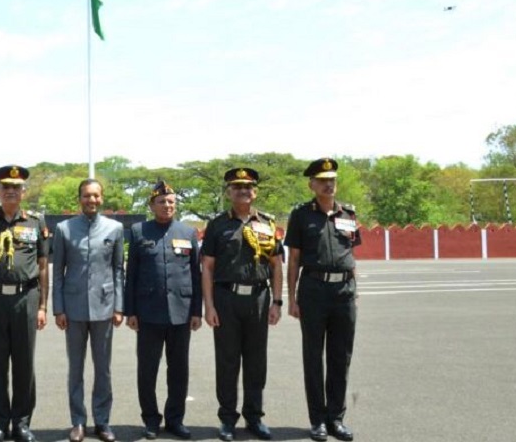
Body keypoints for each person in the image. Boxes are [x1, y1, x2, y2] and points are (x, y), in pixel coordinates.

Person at [201, 167, 284, 442]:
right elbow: (208, 268)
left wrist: (277, 301)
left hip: (259, 298)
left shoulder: (268, 224)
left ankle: (254, 417)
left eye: (248, 187)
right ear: (228, 192)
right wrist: (209, 306)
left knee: (256, 362)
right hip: (226, 298)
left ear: (255, 192)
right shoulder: (217, 225)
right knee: (227, 362)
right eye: (237, 187)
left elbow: (276, 265)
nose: (243, 191)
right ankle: (227, 419)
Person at [0, 165, 50, 442]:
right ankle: (0, 424)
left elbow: (42, 267)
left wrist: (42, 307)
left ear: (23, 191)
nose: (11, 191)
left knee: (25, 365)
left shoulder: (35, 222)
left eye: (16, 187)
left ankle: (22, 423)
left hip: (26, 299)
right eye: (6, 187)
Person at [284, 158, 359, 442]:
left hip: (344, 293)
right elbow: (294, 260)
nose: (329, 184)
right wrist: (291, 298)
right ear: (312, 184)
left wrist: (355, 293)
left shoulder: (348, 213)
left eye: (333, 180)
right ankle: (317, 420)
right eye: (323, 180)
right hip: (313, 291)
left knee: (341, 358)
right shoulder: (302, 215)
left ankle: (336, 419)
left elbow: (350, 255)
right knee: (313, 357)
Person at [124, 181, 202, 440]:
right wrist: (130, 311)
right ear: (152, 205)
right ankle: (150, 420)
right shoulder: (138, 231)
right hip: (148, 313)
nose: (167, 206)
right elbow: (131, 274)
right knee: (147, 370)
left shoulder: (188, 232)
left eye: (171, 202)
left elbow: (195, 274)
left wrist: (196, 311)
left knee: (178, 370)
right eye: (161, 202)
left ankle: (175, 419)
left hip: (181, 311)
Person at [51, 179, 125, 442]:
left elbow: (118, 270)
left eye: (95, 196)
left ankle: (102, 422)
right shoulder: (64, 229)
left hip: (105, 308)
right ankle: (78, 422)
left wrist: (119, 306)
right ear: (79, 198)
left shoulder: (115, 228)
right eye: (86, 196)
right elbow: (57, 272)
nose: (91, 200)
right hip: (73, 309)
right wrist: (58, 308)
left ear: (101, 198)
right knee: (76, 368)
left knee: (103, 368)